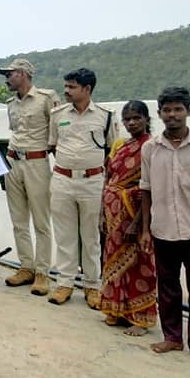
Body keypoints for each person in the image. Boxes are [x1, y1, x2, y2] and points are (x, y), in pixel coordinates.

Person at [140, 86, 190, 367]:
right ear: (160, 113)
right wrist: (145, 230)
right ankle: (172, 337)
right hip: (162, 230)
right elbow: (146, 190)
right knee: (168, 287)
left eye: (178, 109)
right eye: (167, 110)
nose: (172, 115)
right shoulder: (150, 148)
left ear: (188, 111)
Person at [48, 68, 118, 307]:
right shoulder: (57, 115)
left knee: (91, 237)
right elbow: (53, 145)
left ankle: (92, 286)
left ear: (87, 89)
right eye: (66, 86)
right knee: (64, 234)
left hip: (93, 182)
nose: (66, 91)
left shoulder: (105, 116)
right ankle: (65, 283)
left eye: (72, 87)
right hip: (62, 180)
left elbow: (112, 151)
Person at [0, 58, 59, 295]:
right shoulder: (11, 103)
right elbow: (15, 132)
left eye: (10, 74)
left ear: (23, 74)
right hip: (14, 161)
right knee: (18, 219)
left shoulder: (46, 99)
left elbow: (55, 132)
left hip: (37, 162)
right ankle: (27, 266)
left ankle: (43, 272)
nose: (7, 78)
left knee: (41, 221)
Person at [98, 101, 157, 335]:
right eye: (127, 119)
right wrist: (103, 213)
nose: (132, 122)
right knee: (113, 261)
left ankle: (140, 318)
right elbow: (109, 177)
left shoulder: (151, 146)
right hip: (113, 215)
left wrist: (137, 223)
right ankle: (118, 310)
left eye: (136, 118)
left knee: (139, 264)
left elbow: (150, 187)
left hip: (136, 214)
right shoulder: (122, 145)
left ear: (146, 119)